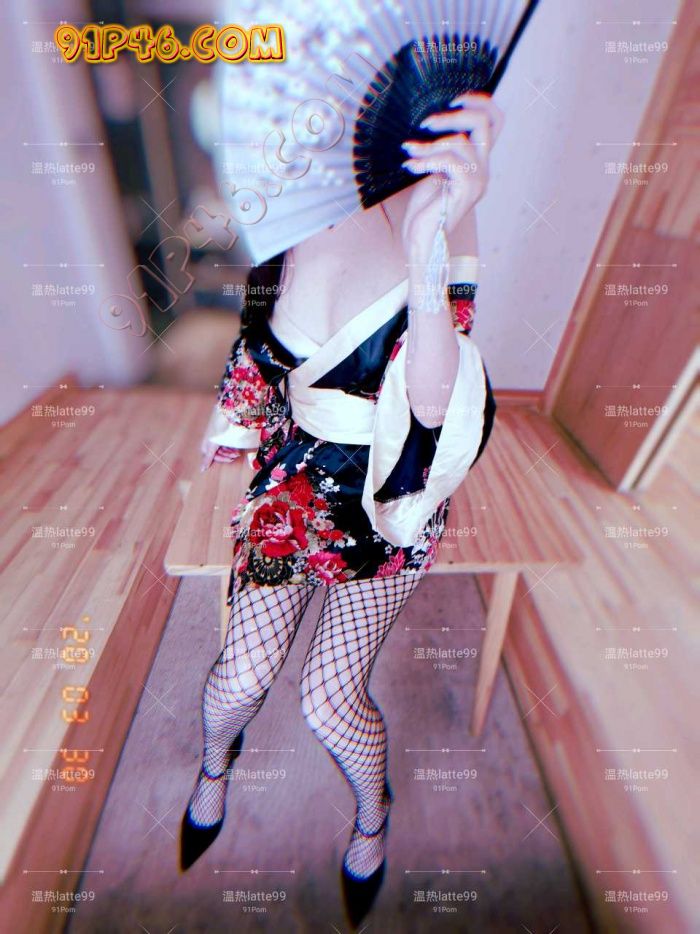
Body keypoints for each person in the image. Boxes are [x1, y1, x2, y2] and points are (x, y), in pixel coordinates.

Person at [181, 90, 502, 925]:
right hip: (293, 481)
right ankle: (215, 765)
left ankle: (373, 814)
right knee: (235, 682)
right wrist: (238, 417)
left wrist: (426, 250)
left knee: (328, 701)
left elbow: (431, 409)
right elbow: (261, 337)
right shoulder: (298, 190)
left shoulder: (440, 205)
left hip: (389, 490)